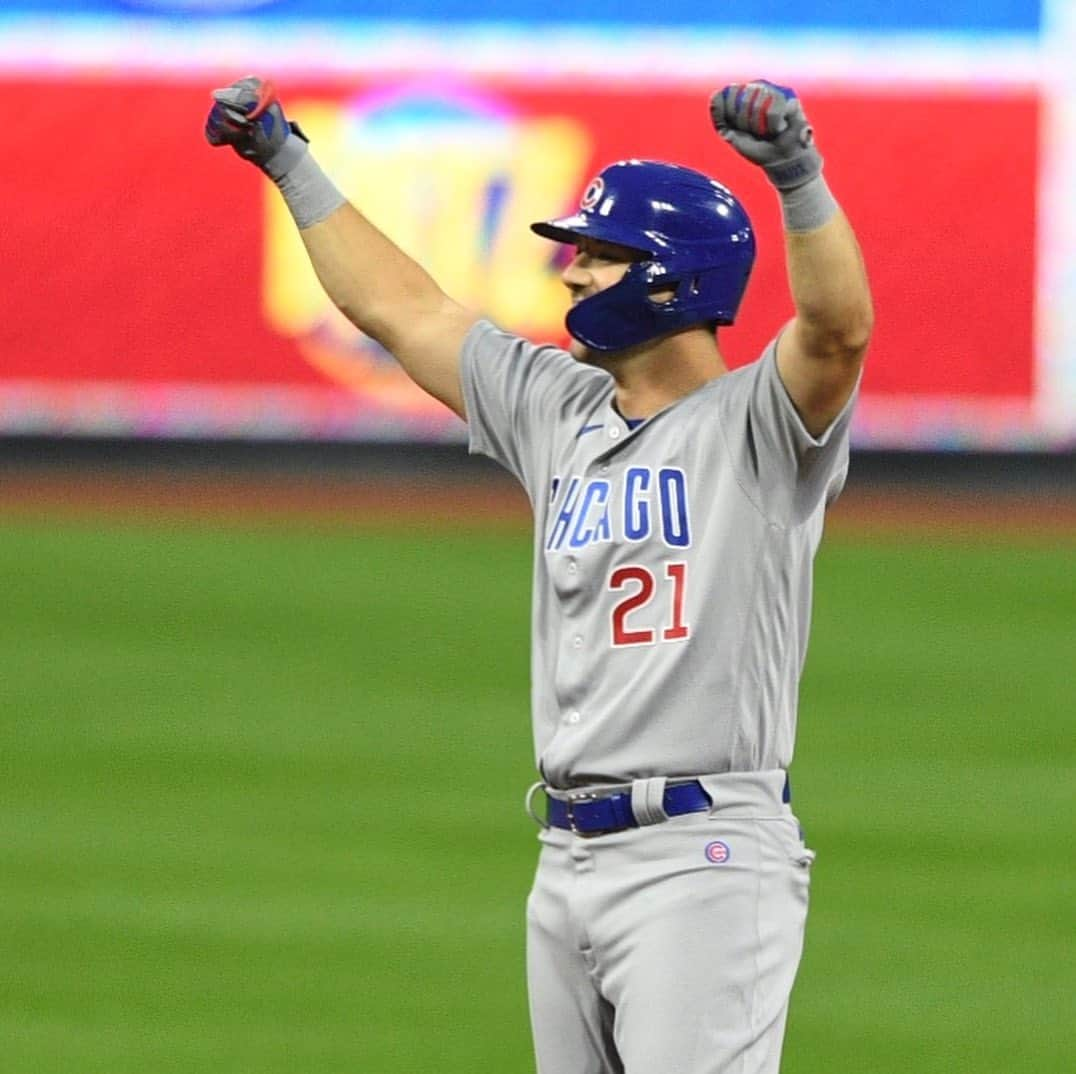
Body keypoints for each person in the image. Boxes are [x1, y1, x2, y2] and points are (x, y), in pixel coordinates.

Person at [206, 75, 873, 1074]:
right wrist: (287, 161)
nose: (567, 275)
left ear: (668, 279)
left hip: (703, 860)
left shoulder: (759, 429)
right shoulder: (557, 410)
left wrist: (796, 177)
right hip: (564, 859)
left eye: (596, 256)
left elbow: (835, 332)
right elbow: (402, 311)